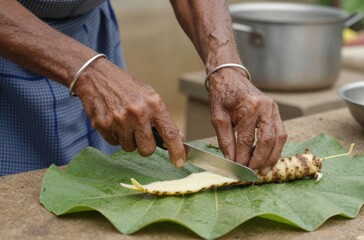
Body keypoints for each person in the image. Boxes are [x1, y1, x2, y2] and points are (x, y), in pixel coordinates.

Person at [0, 0, 287, 176]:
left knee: (101, 185)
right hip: (12, 50)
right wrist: (88, 72)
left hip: (90, 41)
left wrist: (225, 66)